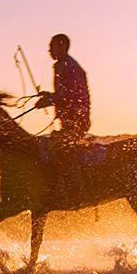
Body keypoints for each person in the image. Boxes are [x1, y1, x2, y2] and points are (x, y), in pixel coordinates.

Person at [34, 34, 90, 201]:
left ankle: (73, 189)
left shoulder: (68, 66)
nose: (49, 50)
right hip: (72, 118)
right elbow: (65, 94)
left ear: (62, 47)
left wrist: (50, 99)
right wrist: (50, 96)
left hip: (77, 119)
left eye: (51, 46)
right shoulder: (64, 65)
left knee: (61, 149)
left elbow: (71, 94)